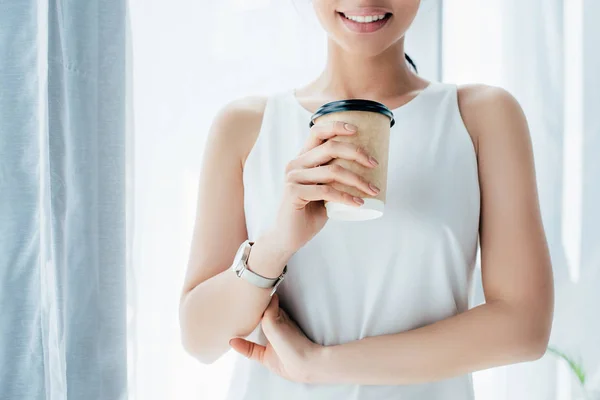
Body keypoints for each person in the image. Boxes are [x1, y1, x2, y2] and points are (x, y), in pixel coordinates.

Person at [179, 1, 554, 399]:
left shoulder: (482, 117)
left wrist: (319, 365)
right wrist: (275, 245)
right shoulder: (245, 127)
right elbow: (200, 339)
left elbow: (524, 326)